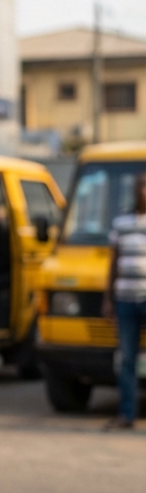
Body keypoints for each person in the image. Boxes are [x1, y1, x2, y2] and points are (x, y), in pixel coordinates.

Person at [102, 171, 146, 429]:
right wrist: (108, 299)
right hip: (125, 300)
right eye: (141, 187)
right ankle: (126, 414)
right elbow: (113, 263)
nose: (143, 192)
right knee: (127, 358)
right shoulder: (121, 223)